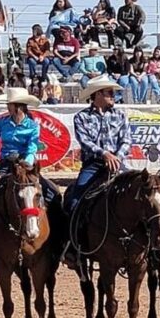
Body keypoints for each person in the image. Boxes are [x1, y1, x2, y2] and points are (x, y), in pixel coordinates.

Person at [0, 87, 62, 265]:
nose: (7, 107)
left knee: (53, 195)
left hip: (27, 166)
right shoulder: (3, 123)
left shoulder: (32, 125)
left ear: (17, 106)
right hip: (6, 166)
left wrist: (26, 162)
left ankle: (58, 243)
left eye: (9, 104)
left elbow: (33, 146)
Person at [64, 77, 130, 221]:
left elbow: (126, 140)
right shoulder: (81, 117)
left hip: (118, 162)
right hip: (93, 164)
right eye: (110, 93)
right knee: (75, 203)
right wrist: (104, 154)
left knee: (138, 193)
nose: (114, 96)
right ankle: (74, 239)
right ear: (98, 94)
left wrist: (117, 156)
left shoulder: (120, 115)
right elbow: (85, 141)